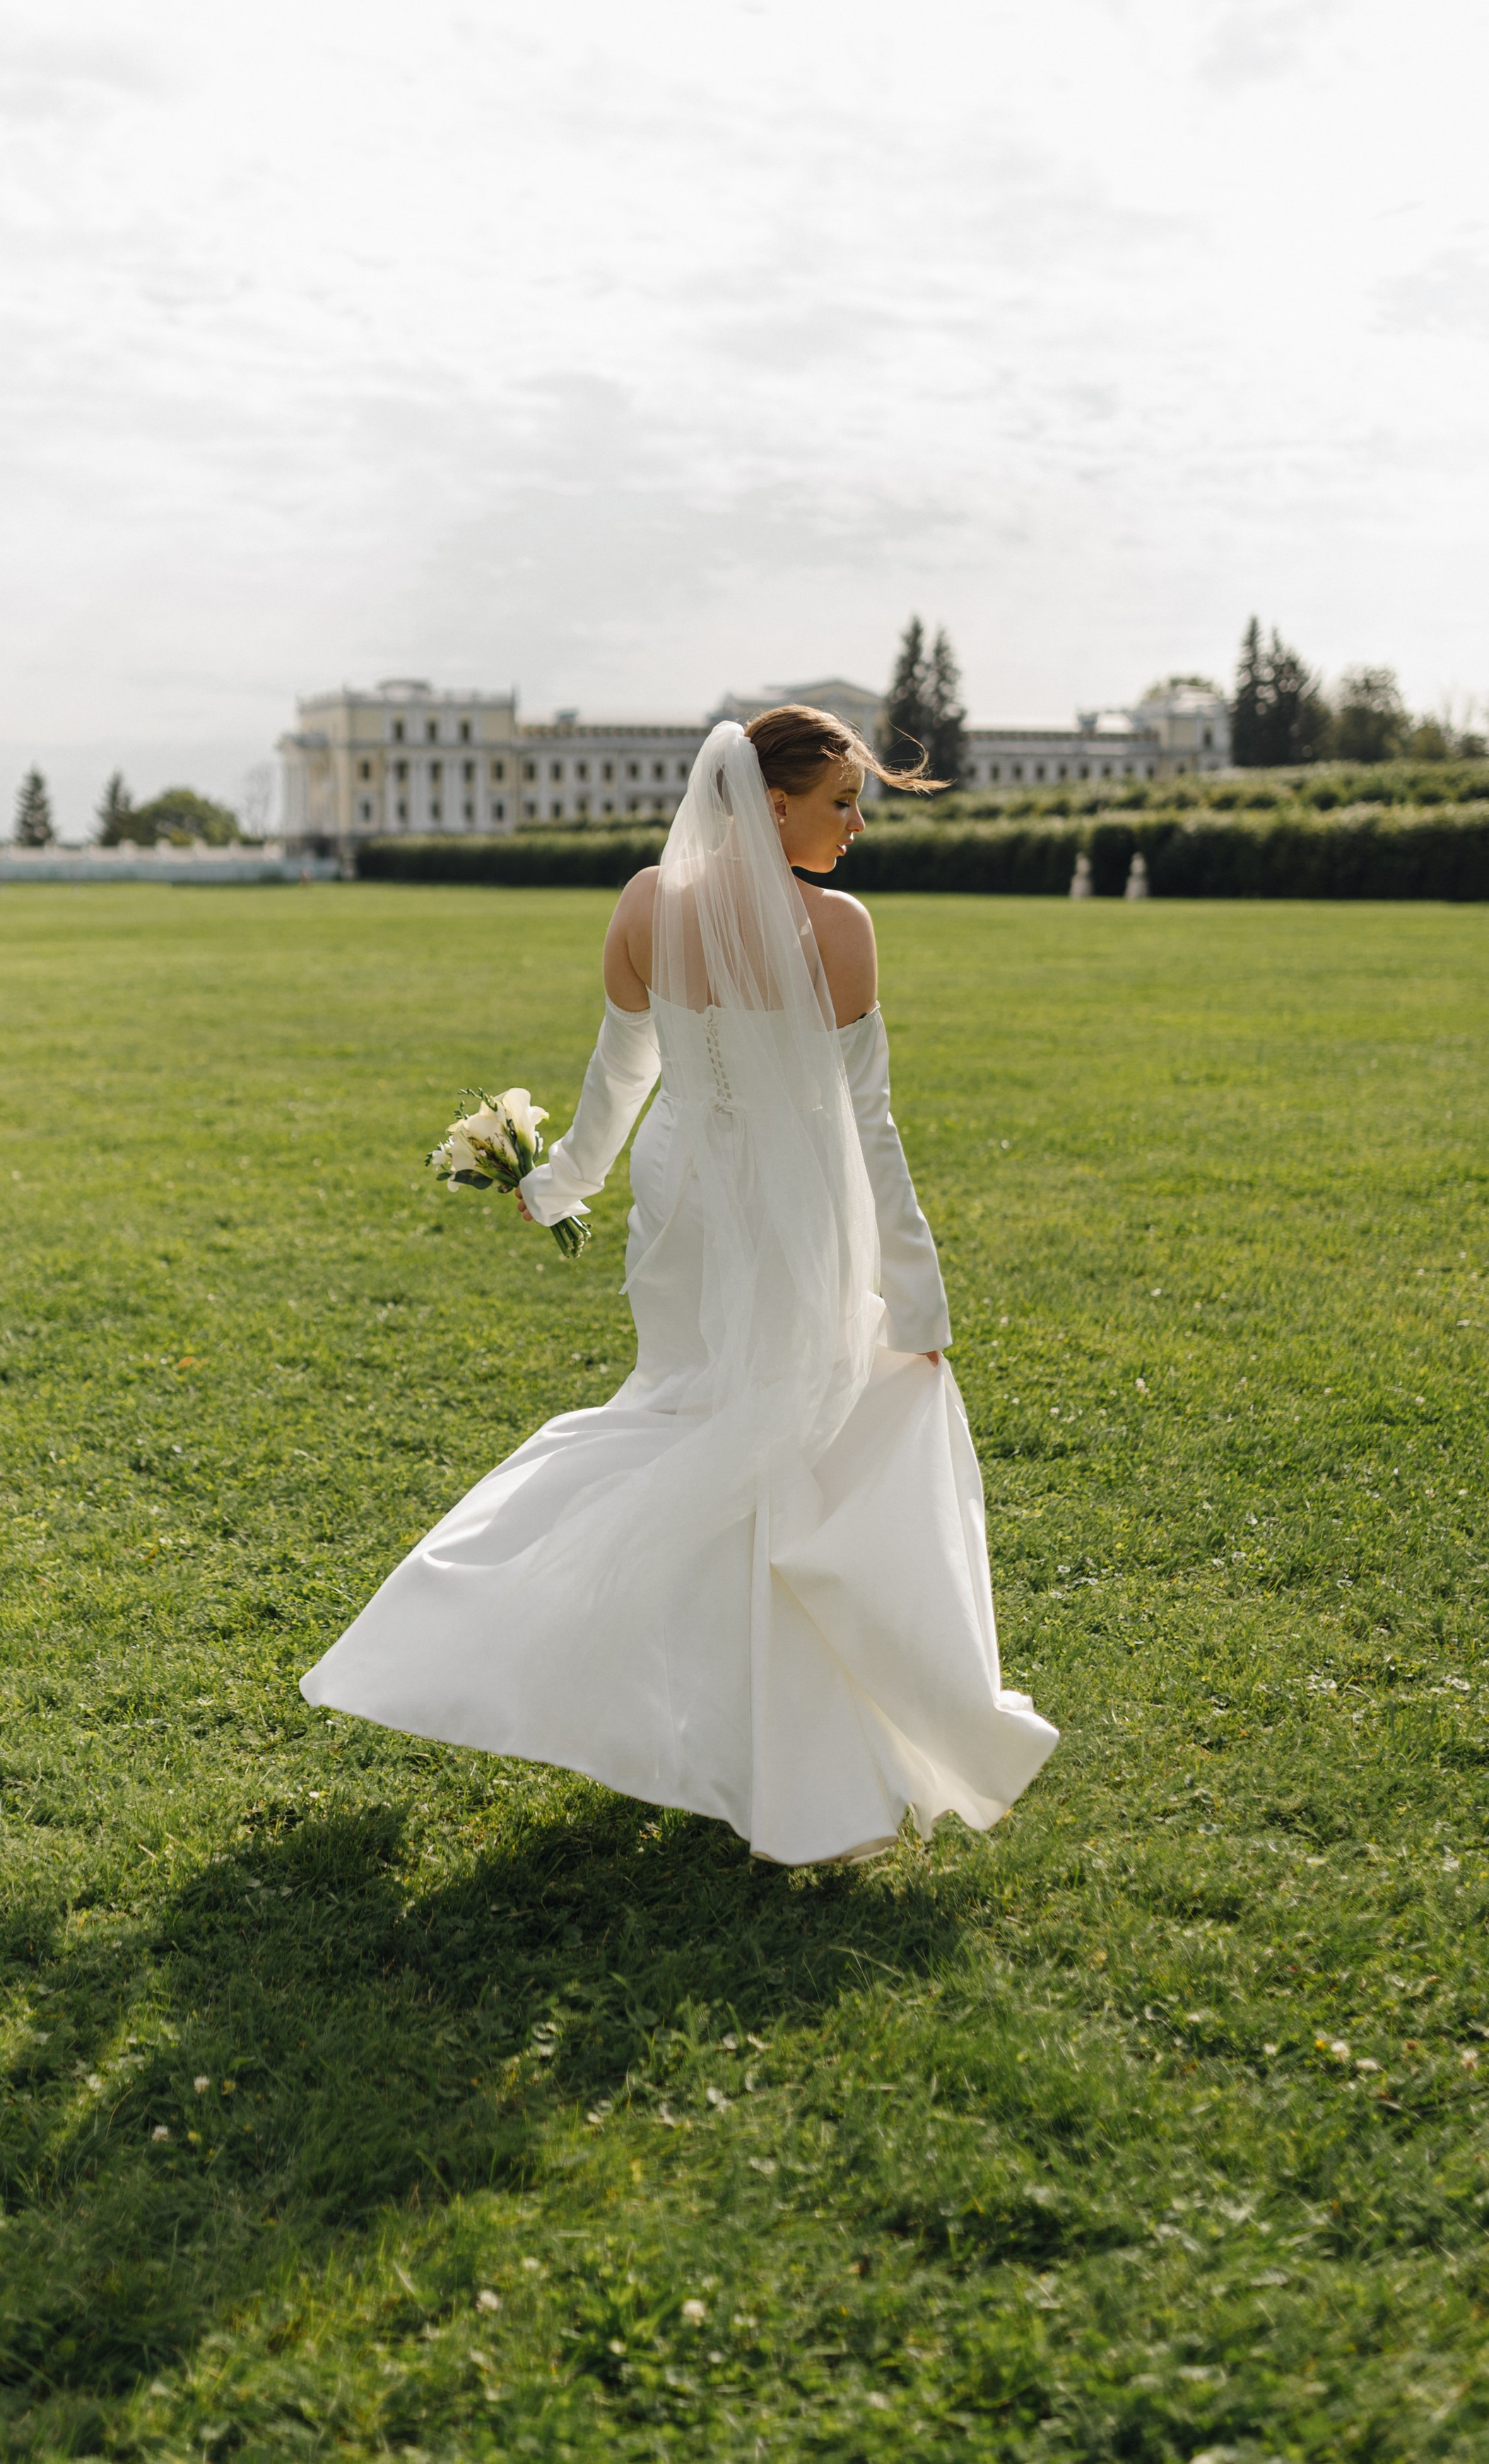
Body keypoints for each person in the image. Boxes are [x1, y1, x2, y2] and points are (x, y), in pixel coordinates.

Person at [301, 707, 1057, 1863]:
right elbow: (872, 1127)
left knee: (694, 1424)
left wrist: (559, 1182)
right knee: (786, 1446)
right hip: (792, 1206)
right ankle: (796, 1766)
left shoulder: (647, 904)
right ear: (773, 805)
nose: (857, 827)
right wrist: (917, 1300)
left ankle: (649, 1690)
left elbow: (620, 1077)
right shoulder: (840, 929)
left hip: (678, 1200)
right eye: (842, 803)